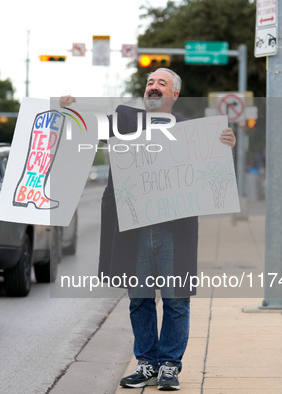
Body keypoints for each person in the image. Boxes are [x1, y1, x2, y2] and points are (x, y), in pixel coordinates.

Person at [61, 68, 236, 391]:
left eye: (162, 84)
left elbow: (214, 170)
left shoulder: (191, 131)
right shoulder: (125, 122)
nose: (154, 87)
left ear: (174, 95)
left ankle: (169, 366)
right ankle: (146, 364)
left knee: (176, 299)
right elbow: (86, 126)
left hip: (175, 230)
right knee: (139, 299)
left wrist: (226, 143)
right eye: (150, 83)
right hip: (133, 230)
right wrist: (68, 109)